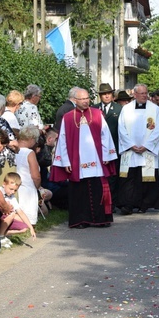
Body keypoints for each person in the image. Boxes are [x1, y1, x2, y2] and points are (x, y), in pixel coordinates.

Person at [51, 88, 118, 227]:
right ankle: (80, 219)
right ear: (75, 100)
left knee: (98, 188)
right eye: (82, 99)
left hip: (96, 158)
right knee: (79, 191)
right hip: (77, 160)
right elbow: (62, 140)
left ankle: (101, 219)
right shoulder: (68, 117)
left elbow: (106, 135)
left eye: (87, 98)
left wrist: (107, 154)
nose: (86, 101)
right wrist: (65, 161)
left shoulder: (97, 114)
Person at [117, 84, 159, 214]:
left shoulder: (154, 109)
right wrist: (130, 145)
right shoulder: (126, 109)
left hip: (146, 150)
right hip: (130, 150)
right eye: (141, 93)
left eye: (146, 93)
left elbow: (157, 129)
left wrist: (147, 146)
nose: (144, 95)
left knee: (145, 178)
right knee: (129, 179)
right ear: (134, 94)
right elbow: (121, 128)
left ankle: (144, 204)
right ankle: (128, 204)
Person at [15, 126, 45, 227]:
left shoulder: (13, 149)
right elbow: (36, 176)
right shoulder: (29, 153)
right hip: (27, 189)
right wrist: (38, 187)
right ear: (32, 139)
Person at [0, 172, 36, 246]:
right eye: (11, 189)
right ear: (4, 184)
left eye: (15, 190)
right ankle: (0, 236)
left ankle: (2, 233)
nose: (12, 192)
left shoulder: (12, 197)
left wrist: (31, 228)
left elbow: (20, 211)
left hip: (5, 218)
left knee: (24, 227)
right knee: (12, 214)